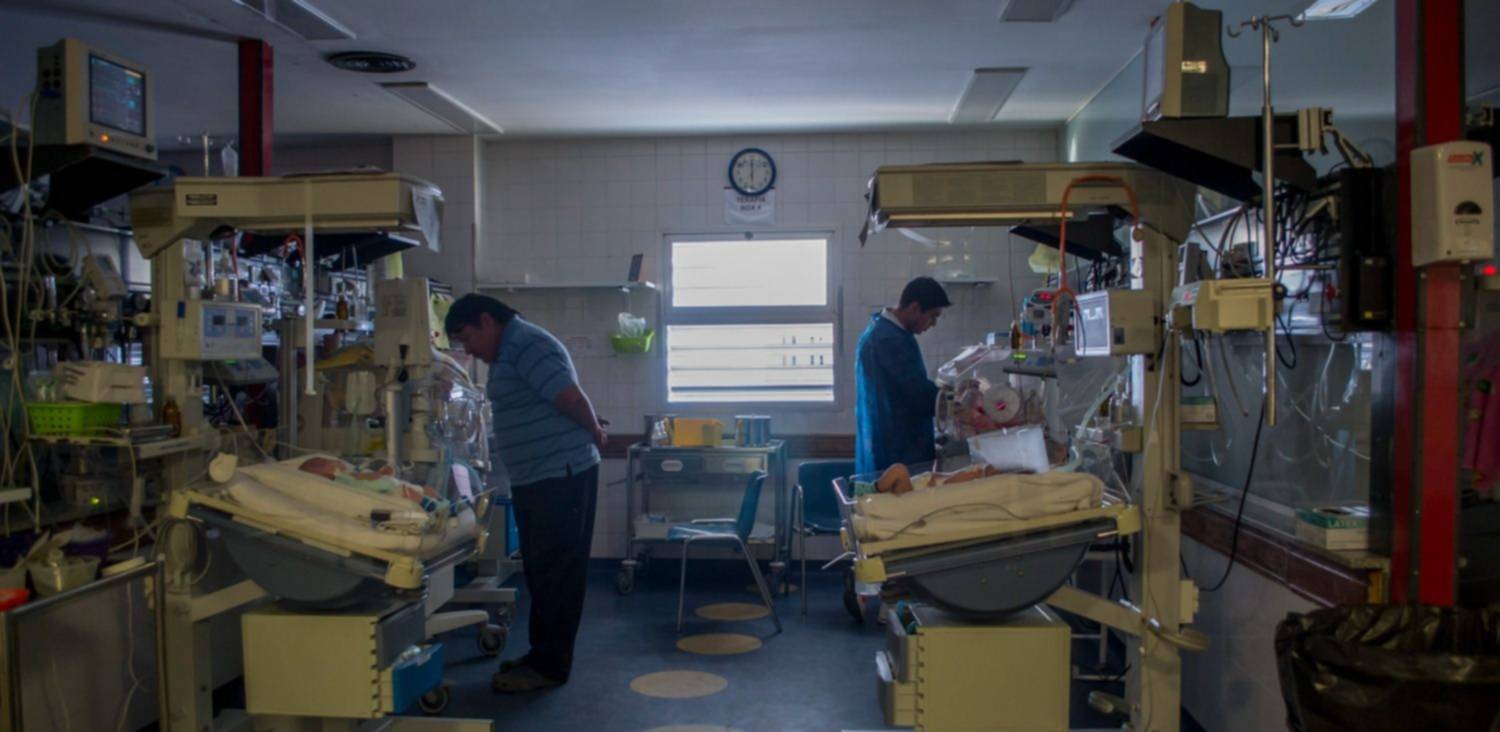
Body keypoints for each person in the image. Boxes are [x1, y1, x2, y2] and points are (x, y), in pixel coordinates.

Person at [444, 294, 607, 693]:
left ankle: (551, 666)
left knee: (557, 573)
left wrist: (595, 432)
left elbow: (570, 397)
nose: (469, 351)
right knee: (540, 570)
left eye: (467, 338)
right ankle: (541, 654)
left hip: (561, 475)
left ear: (487, 321)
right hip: (539, 477)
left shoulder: (527, 344)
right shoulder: (508, 351)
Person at [855, 276, 951, 477]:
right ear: (915, 308)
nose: (933, 324)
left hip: (890, 442)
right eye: (932, 316)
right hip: (898, 450)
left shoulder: (883, 330)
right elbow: (916, 394)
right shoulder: (889, 339)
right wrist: (953, 400)